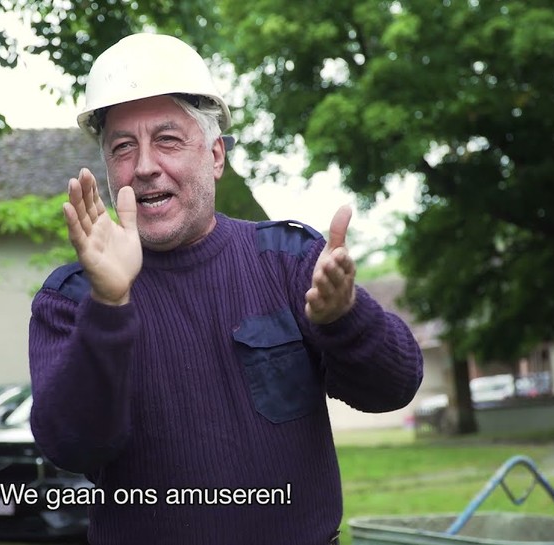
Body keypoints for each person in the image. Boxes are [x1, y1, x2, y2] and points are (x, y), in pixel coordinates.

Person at [28, 33, 423, 544]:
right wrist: (109, 305)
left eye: (168, 140)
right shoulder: (71, 297)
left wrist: (345, 318)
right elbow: (72, 448)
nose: (144, 166)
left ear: (216, 156)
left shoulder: (288, 261)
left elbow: (394, 388)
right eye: (123, 147)